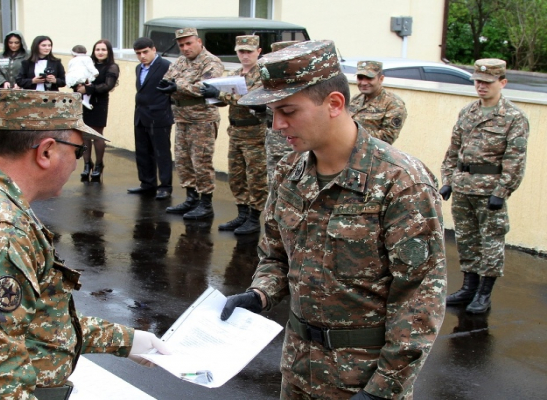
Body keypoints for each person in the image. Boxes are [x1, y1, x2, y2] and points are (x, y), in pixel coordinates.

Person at [0, 89, 170, 399]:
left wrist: (124, 340)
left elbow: (34, 322)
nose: (77, 161)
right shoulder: (0, 229)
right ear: (46, 152)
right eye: (79, 149)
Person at [221, 41, 446, 399]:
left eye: (289, 111)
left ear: (335, 105)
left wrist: (384, 388)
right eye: (273, 112)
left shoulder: (400, 181)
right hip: (297, 368)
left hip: (363, 378)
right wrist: (260, 294)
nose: (277, 125)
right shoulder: (289, 172)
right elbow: (276, 255)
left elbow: (419, 300)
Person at [440, 58, 529, 314]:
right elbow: (453, 150)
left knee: (491, 241)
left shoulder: (513, 117)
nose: (481, 86)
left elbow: (515, 159)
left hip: (490, 190)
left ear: (502, 83)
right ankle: (468, 287)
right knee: (466, 239)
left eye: (487, 82)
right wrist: (449, 181)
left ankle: (484, 294)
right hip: (464, 187)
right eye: (478, 81)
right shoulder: (468, 112)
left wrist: (502, 192)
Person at [201, 35, 267, 235]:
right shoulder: (235, 74)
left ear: (258, 51)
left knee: (256, 177)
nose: (244, 55)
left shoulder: (263, 75)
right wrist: (211, 95)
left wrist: (220, 94)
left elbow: (252, 99)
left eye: (249, 51)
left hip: (255, 133)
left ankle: (254, 218)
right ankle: (242, 213)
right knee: (236, 176)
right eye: (241, 51)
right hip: (236, 131)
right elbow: (225, 101)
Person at [157, 28, 225, 220]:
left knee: (201, 162)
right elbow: (167, 78)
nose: (185, 48)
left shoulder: (211, 62)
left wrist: (178, 87)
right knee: (183, 160)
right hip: (181, 117)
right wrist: (170, 86)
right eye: (181, 45)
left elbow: (207, 87)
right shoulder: (180, 62)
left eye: (188, 44)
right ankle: (191, 198)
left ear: (199, 42)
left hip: (202, 119)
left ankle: (206, 204)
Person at [128, 37, 174, 200]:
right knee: (142, 152)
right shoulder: (138, 68)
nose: (142, 56)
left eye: (145, 52)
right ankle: (147, 183)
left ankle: (165, 186)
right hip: (141, 115)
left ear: (154, 50)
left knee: (161, 153)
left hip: (159, 116)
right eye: (138, 53)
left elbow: (171, 90)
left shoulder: (165, 66)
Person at [75, 39, 120, 182]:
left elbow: (107, 85)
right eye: (97, 49)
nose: (100, 52)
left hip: (99, 103)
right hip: (83, 102)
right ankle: (87, 164)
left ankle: (99, 165)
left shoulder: (112, 66)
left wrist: (89, 88)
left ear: (109, 52)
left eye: (103, 49)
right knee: (85, 134)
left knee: (97, 135)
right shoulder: (88, 64)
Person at [264, 40, 298, 186]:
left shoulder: (303, 87)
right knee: (274, 184)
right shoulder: (272, 84)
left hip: (295, 147)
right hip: (274, 144)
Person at [348, 61, 407, 145]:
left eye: (369, 78)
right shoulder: (356, 99)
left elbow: (387, 138)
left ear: (381, 79)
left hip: (371, 155)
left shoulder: (393, 104)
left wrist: (352, 134)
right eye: (360, 78)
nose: (363, 83)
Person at [66, 44, 99, 110]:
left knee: (78, 89)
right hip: (82, 76)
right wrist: (96, 73)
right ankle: (86, 100)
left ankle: (77, 101)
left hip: (72, 78)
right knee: (88, 86)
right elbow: (90, 67)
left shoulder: (72, 60)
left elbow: (70, 69)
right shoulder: (87, 58)